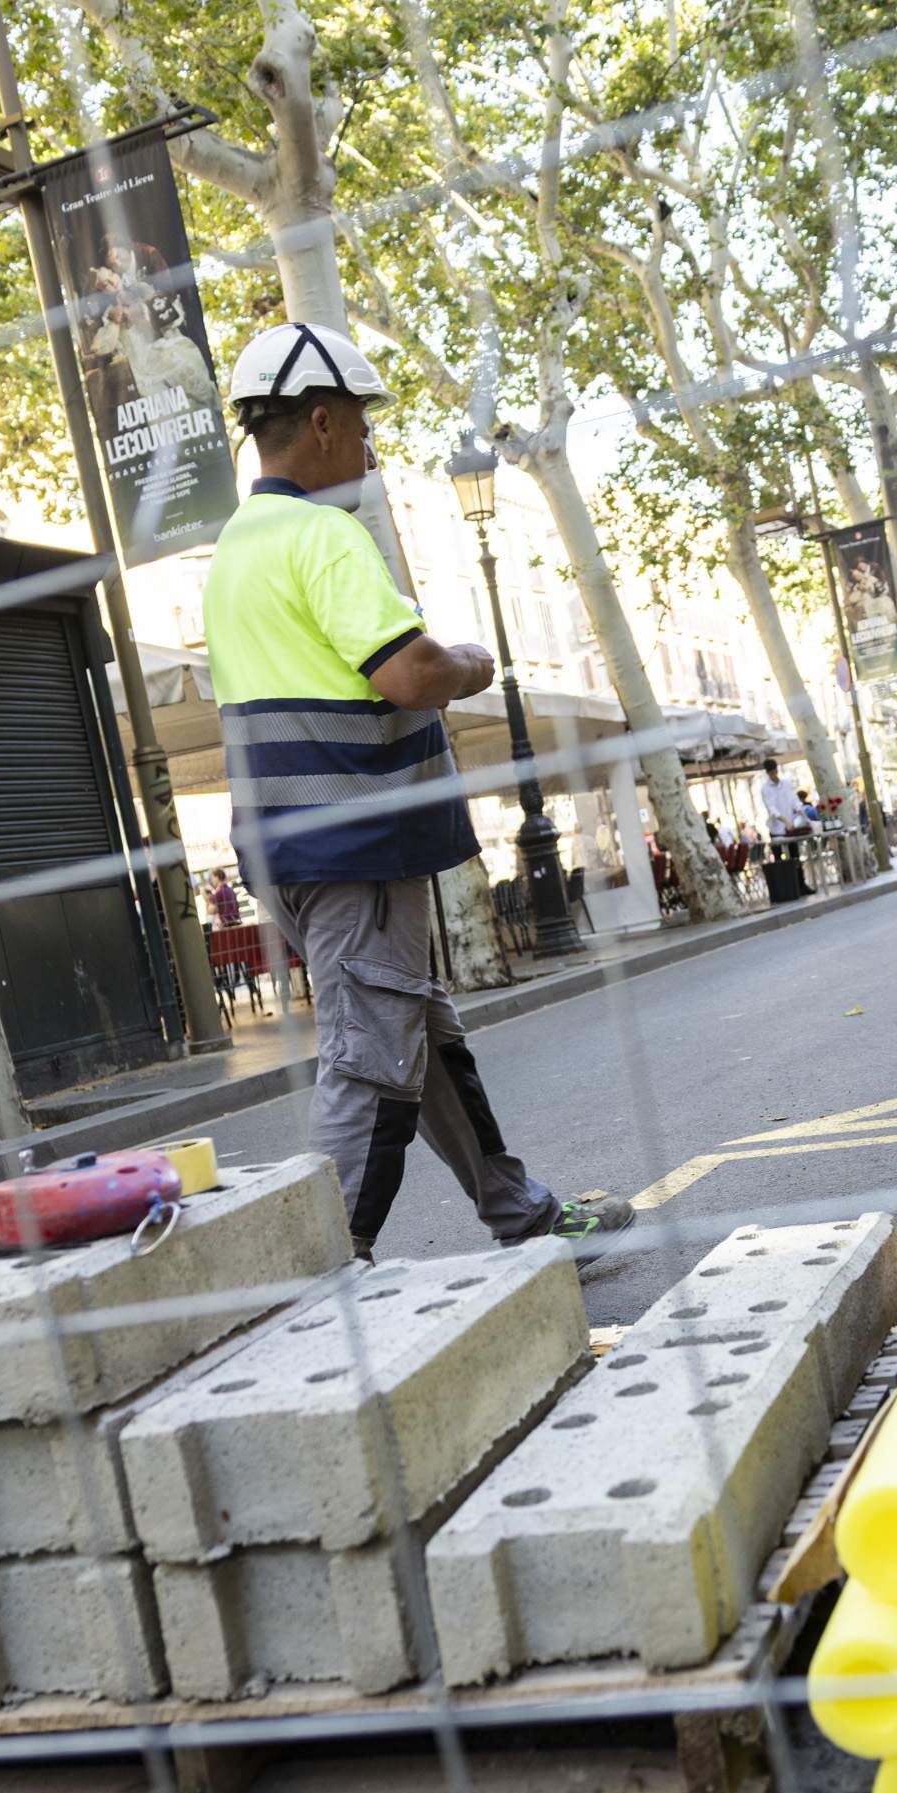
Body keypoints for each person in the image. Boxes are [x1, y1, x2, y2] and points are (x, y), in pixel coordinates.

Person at [202, 321, 631, 1262]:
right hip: (356, 844)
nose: (367, 447)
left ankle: (517, 1209)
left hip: (291, 846)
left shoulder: (237, 546)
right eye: (360, 427)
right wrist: (474, 661)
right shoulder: (323, 534)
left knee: (421, 1036)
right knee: (371, 1059)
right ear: (320, 423)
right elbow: (410, 671)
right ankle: (322, 1269)